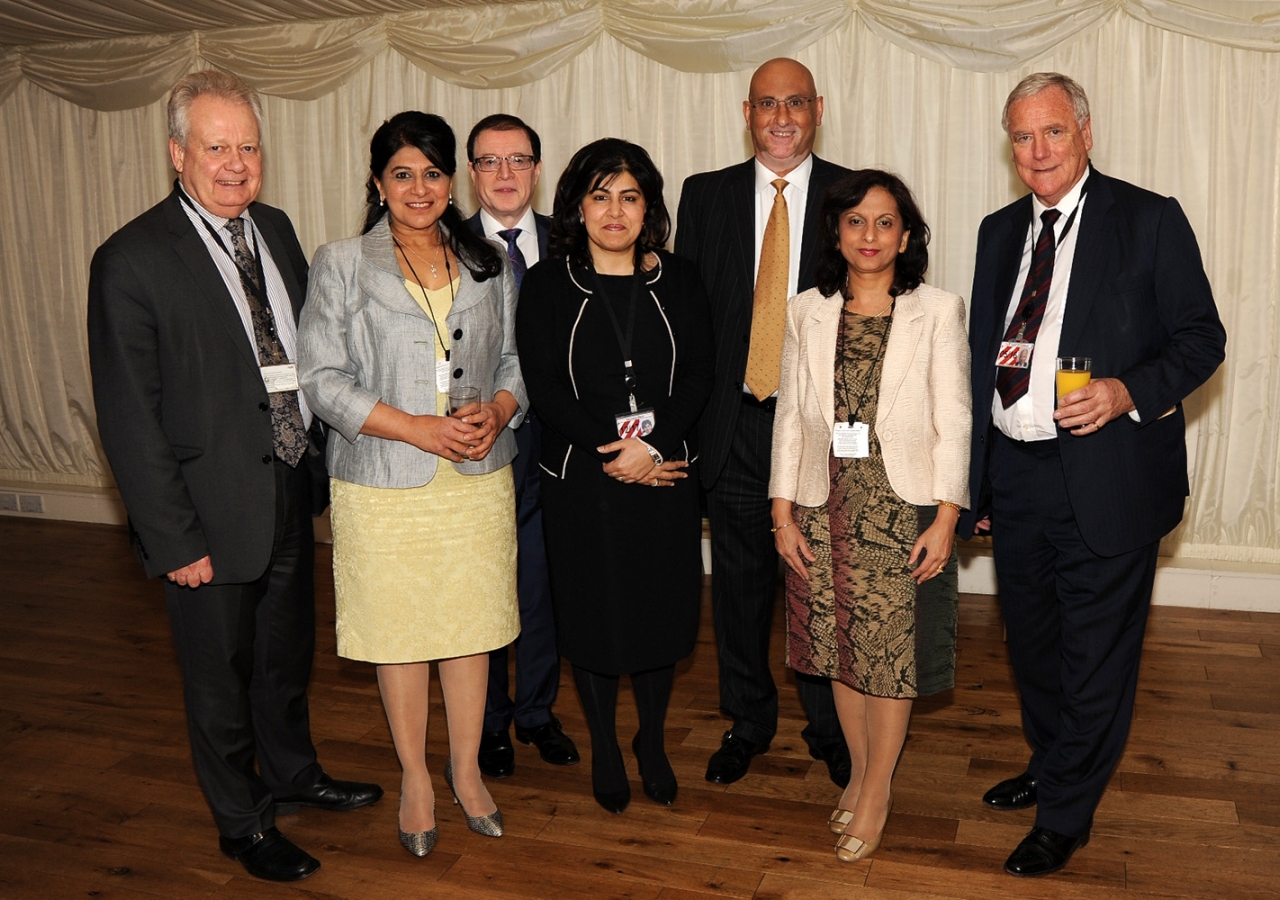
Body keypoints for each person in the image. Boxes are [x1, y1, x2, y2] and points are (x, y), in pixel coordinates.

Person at [86, 70, 382, 884]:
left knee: (285, 657)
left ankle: (293, 774)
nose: (235, 162)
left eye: (248, 146)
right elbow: (128, 418)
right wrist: (172, 537)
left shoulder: (276, 229)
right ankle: (242, 823)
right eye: (216, 147)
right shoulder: (132, 259)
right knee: (218, 680)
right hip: (205, 515)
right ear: (178, 152)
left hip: (287, 487)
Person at [959, 73, 1226, 877]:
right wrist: (975, 485)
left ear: (1085, 133)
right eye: (1020, 136)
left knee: (1096, 653)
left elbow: (1201, 339)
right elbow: (982, 361)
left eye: (1051, 133)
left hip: (1109, 474)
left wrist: (1124, 392)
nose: (1035, 151)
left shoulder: (1148, 219)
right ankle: (1053, 760)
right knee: (1033, 644)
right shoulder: (998, 230)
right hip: (1018, 472)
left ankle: (1066, 813)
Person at [296, 111, 523, 857]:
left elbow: (518, 363)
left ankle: (465, 769)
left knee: (470, 629)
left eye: (431, 172)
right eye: (402, 173)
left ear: (450, 180)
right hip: (382, 483)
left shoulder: (487, 258)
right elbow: (322, 382)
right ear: (377, 182)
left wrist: (495, 408)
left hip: (475, 478)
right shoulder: (341, 262)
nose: (419, 188)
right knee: (400, 633)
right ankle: (416, 777)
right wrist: (418, 427)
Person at [770, 169, 970, 862]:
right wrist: (781, 512)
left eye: (886, 222)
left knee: (890, 660)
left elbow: (955, 420)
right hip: (822, 507)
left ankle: (878, 789)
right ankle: (859, 772)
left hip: (901, 509)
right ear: (837, 232)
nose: (871, 235)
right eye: (856, 221)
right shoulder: (806, 311)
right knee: (839, 655)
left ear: (906, 235)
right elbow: (791, 420)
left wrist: (947, 518)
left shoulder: (938, 310)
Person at [516, 138, 714, 814]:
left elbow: (698, 377)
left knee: (660, 615)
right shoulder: (547, 283)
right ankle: (604, 742)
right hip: (583, 480)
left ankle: (650, 743)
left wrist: (651, 447)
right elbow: (544, 386)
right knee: (595, 622)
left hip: (663, 477)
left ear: (648, 207)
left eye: (629, 196)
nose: (614, 210)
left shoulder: (681, 279)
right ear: (576, 205)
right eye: (599, 196)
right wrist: (613, 448)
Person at [676, 57, 853, 787]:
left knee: (816, 585)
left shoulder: (853, 195)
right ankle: (748, 719)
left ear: (818, 109)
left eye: (796, 103)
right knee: (741, 585)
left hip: (816, 431)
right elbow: (686, 315)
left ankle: (828, 724)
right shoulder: (705, 195)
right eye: (767, 104)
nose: (782, 117)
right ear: (745, 113)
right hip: (735, 424)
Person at [464, 113, 580, 779]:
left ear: (538, 168)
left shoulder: (573, 245)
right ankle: (489, 722)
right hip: (480, 442)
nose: (505, 174)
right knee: (485, 587)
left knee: (540, 584)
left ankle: (536, 712)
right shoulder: (445, 247)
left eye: (518, 160)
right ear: (471, 173)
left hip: (558, 442)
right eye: (489, 161)